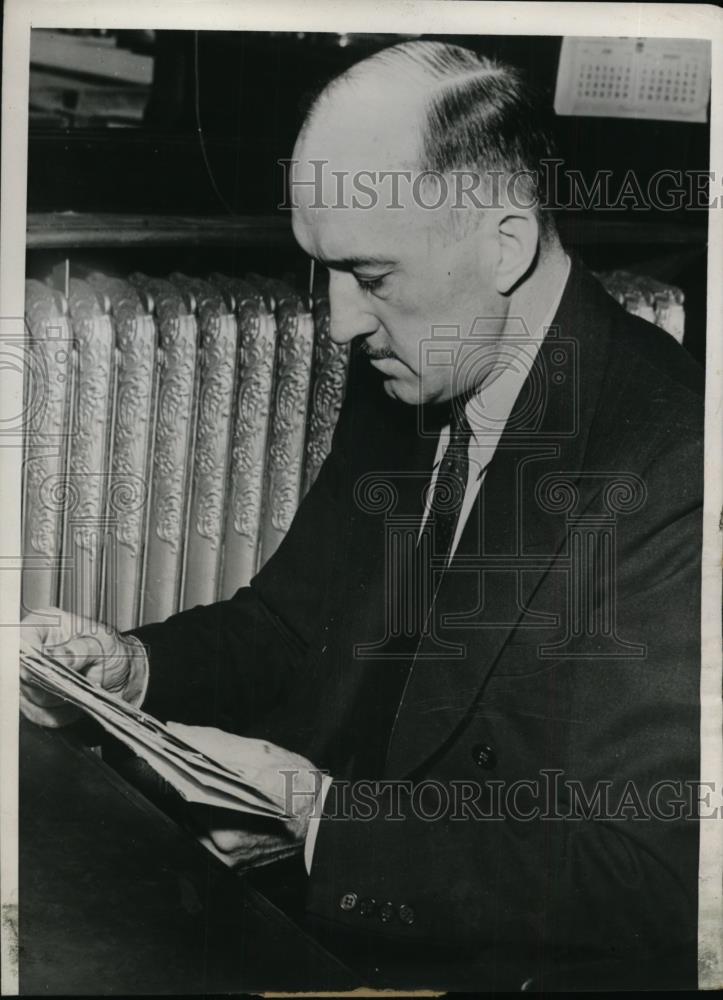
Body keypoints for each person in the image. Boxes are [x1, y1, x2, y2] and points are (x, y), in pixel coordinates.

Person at [20, 41, 703, 991]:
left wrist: (321, 822)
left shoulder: (674, 456)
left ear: (504, 246)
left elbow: (649, 876)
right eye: (325, 274)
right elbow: (293, 624)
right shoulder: (421, 360)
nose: (340, 322)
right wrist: (133, 668)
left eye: (371, 278)